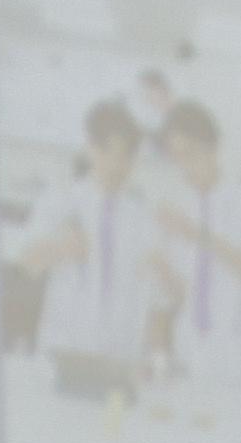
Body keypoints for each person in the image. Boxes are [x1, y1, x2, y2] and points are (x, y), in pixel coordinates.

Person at [145, 100, 241, 391]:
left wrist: (200, 236)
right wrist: (158, 371)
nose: (184, 167)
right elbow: (167, 303)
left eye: (190, 154)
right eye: (176, 157)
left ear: (214, 148)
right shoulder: (175, 209)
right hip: (191, 355)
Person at [11, 100, 157, 363]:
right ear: (91, 147)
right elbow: (26, 263)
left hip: (120, 352)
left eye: (126, 157)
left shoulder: (141, 215)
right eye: (109, 153)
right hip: (65, 344)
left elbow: (147, 292)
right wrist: (62, 248)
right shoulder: (60, 199)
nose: (117, 166)